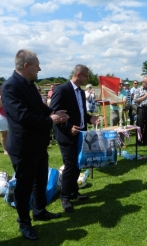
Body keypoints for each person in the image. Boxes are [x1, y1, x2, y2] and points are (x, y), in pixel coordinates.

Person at [2, 49, 69, 240]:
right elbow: (22, 116)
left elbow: (40, 108)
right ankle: (24, 224)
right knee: (24, 187)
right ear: (26, 66)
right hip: (23, 147)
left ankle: (39, 211)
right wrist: (51, 120)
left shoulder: (29, 84)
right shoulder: (10, 87)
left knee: (40, 180)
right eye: (36, 65)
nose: (39, 69)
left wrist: (56, 113)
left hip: (38, 144)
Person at [50, 64, 98, 213]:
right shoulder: (62, 90)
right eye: (86, 76)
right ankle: (64, 197)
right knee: (70, 165)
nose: (88, 79)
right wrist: (68, 127)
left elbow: (81, 112)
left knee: (78, 164)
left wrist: (90, 119)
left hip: (81, 134)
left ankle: (73, 192)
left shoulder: (81, 92)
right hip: (66, 135)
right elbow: (54, 113)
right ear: (78, 75)